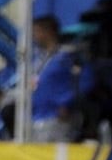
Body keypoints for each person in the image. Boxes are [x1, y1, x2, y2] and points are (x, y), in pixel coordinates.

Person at [27, 15, 77, 143]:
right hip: (37, 118)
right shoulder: (39, 59)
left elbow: (84, 80)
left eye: (36, 32)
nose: (34, 36)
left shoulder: (66, 56)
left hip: (56, 119)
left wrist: (66, 104)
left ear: (48, 32)